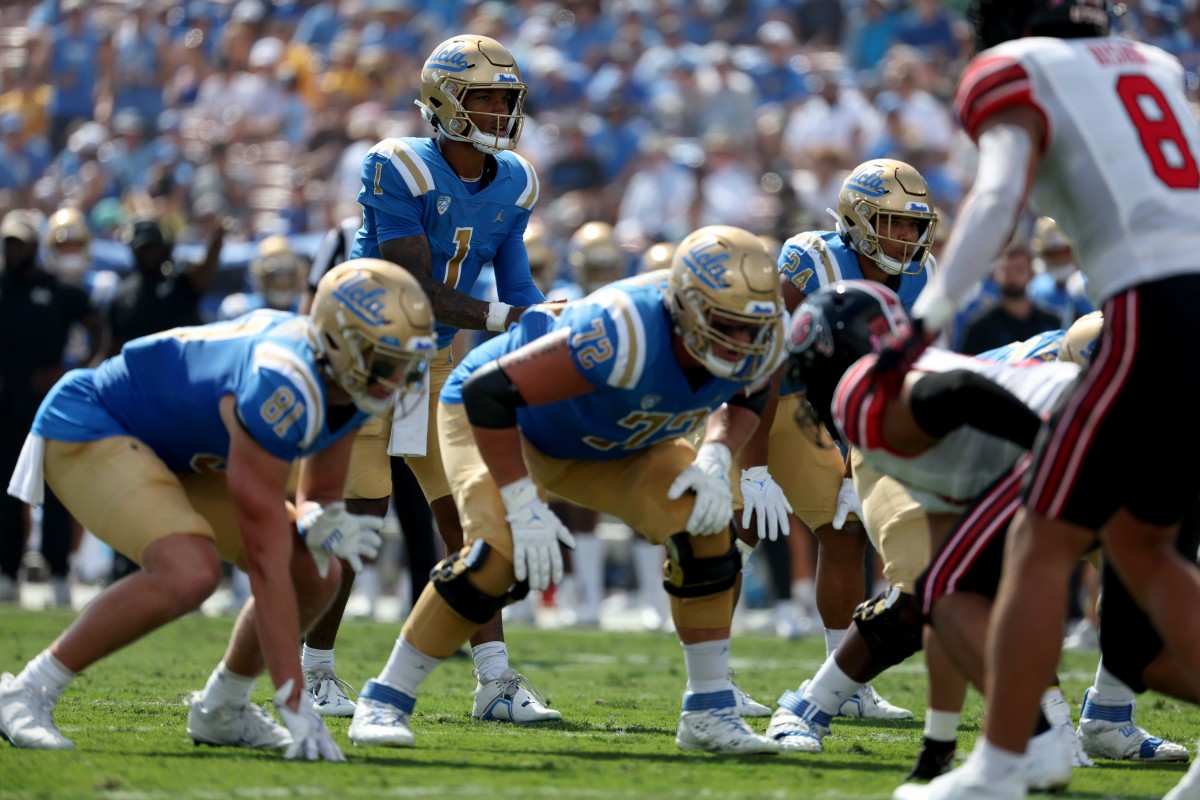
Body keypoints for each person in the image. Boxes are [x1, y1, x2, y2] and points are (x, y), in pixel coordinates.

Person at [875, 3, 1200, 798]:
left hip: (1152, 308)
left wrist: (925, 320)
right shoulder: (1153, 64)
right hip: (1181, 301)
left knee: (1039, 542)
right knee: (1143, 549)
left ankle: (1006, 761)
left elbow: (996, 201)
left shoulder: (1014, 68)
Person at [347, 224, 787, 754]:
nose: (742, 340)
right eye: (727, 324)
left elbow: (751, 391)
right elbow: (489, 394)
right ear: (686, 307)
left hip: (622, 437)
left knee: (706, 530)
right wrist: (520, 501)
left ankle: (709, 712)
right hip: (512, 424)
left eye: (753, 327)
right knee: (498, 554)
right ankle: (385, 700)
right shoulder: (623, 328)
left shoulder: (762, 330)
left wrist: (717, 452)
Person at [0, 258, 435, 759]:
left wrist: (321, 519)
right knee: (192, 570)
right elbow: (265, 559)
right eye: (386, 360)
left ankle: (223, 707)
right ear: (341, 341)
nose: (397, 377)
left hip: (183, 450)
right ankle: (27, 690)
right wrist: (293, 695)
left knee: (317, 571)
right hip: (98, 421)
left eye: (406, 362)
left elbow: (318, 495)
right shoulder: (282, 381)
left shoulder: (345, 377)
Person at [300, 34, 555, 723]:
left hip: (435, 367)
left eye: (506, 98)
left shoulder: (516, 180)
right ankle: (313, 670)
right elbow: (411, 286)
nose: (501, 111)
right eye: (486, 98)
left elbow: (518, 286)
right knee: (360, 519)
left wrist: (552, 326)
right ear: (443, 101)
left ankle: (494, 682)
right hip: (364, 363)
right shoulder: (398, 164)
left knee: (476, 521)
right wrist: (505, 318)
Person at [749, 157, 941, 725]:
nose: (905, 236)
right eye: (892, 222)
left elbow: (892, 379)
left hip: (824, 411)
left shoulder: (923, 274)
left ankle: (845, 682)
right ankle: (712, 684)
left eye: (913, 224)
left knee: (845, 529)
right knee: (731, 531)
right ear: (857, 219)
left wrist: (859, 464)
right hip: (760, 397)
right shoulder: (812, 258)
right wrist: (753, 466)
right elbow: (765, 358)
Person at [0, 209, 103, 606]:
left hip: (47, 402)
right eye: (9, 243)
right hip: (6, 405)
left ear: (33, 246)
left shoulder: (56, 289)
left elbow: (97, 326)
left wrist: (72, 369)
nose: (14, 251)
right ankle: (7, 570)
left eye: (20, 244)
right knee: (6, 490)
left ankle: (58, 571)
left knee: (56, 486)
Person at [957, 241, 1058, 356]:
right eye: (1006, 270)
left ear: (1031, 273)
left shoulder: (1051, 323)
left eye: (1019, 270)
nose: (1012, 276)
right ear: (995, 275)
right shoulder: (980, 328)